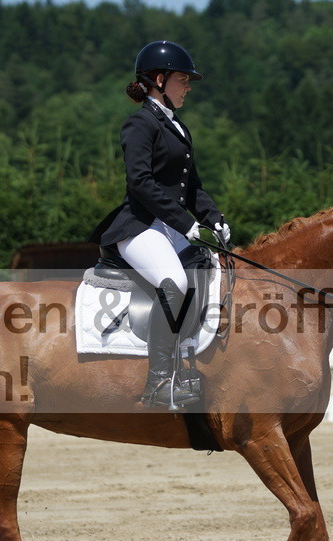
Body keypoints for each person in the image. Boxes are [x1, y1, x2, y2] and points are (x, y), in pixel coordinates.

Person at [90, 40, 230, 410]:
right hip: (139, 228)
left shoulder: (178, 127)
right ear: (158, 79)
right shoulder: (140, 122)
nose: (188, 87)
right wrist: (186, 224)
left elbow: (192, 186)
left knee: (209, 267)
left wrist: (215, 219)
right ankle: (159, 383)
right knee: (176, 282)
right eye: (183, 80)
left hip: (169, 228)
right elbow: (141, 182)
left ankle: (189, 364)